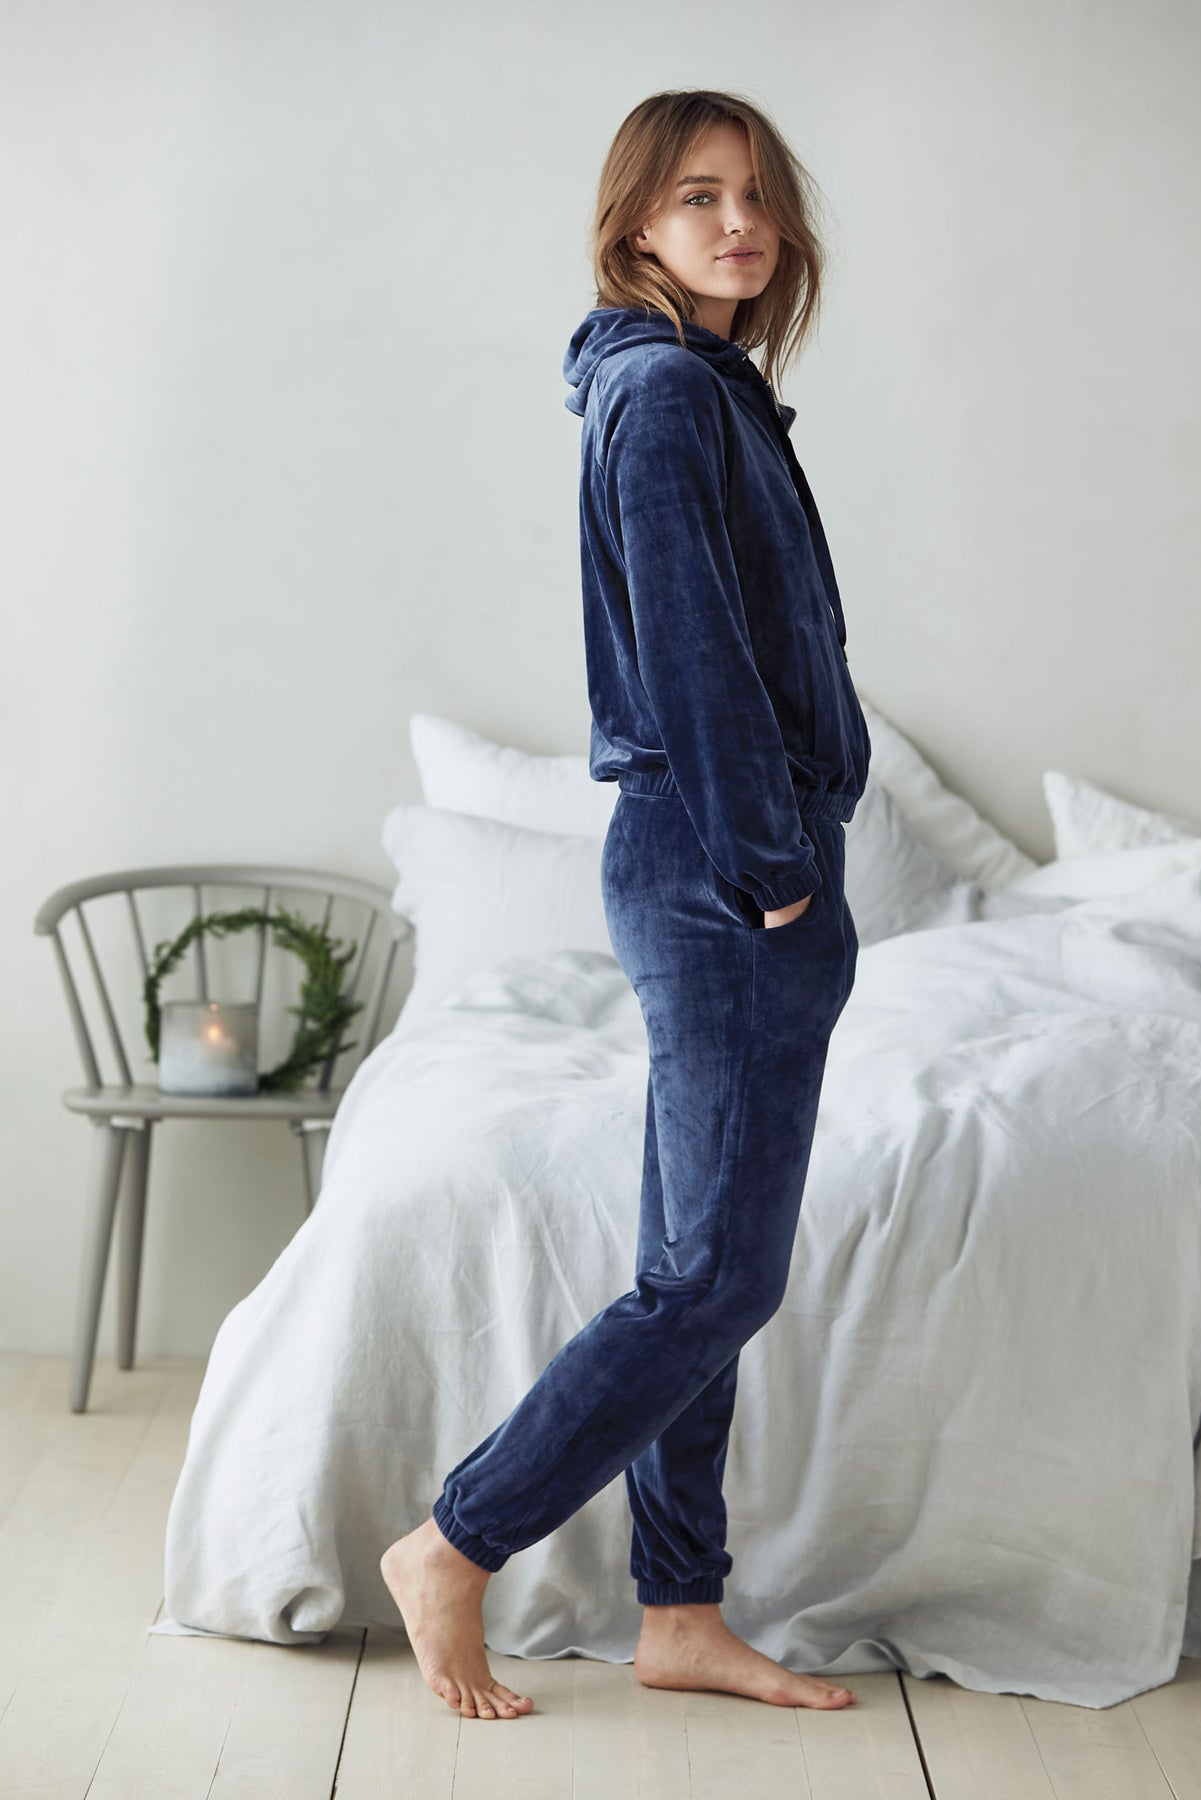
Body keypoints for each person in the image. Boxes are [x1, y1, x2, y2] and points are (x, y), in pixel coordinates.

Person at [381, 88, 871, 1722]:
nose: (741, 222)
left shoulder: (705, 392)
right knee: (716, 1280)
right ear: (637, 226)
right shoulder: (663, 395)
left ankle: (678, 1611)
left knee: (694, 1263)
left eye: (758, 195)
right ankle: (456, 1543)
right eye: (700, 196)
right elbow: (695, 659)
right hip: (726, 866)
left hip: (723, 856)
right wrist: (776, 877)